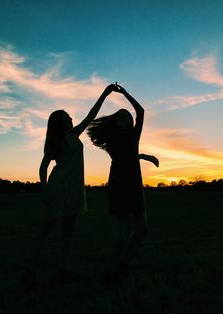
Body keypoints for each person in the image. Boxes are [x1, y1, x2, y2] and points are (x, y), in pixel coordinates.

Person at [22, 83, 117, 290]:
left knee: (68, 233)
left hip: (74, 189)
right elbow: (43, 167)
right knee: (45, 230)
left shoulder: (74, 134)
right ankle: (30, 271)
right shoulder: (54, 141)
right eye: (67, 116)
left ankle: (62, 271)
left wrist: (105, 93)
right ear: (59, 121)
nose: (71, 118)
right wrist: (44, 189)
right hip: (57, 188)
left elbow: (91, 115)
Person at [87, 84, 151, 284]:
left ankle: (123, 264)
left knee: (142, 229)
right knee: (125, 228)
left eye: (126, 117)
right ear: (115, 122)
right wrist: (106, 94)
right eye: (120, 116)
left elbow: (140, 111)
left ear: (131, 122)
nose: (124, 118)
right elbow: (91, 118)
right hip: (119, 183)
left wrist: (124, 93)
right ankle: (112, 270)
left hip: (134, 184)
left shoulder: (134, 135)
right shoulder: (112, 137)